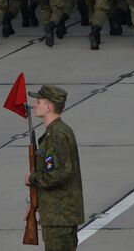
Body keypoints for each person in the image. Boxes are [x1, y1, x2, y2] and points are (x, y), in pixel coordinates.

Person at [26, 84, 85, 251]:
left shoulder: (57, 135)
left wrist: (33, 178)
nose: (35, 105)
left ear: (49, 107)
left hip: (60, 216)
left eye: (38, 102)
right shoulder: (54, 132)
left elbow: (60, 173)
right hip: (56, 214)